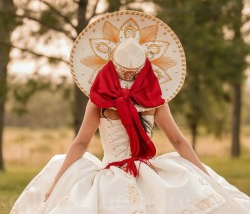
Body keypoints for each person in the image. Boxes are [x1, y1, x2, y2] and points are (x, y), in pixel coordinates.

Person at [10, 11, 250, 214]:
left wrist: (57, 183)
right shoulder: (152, 100)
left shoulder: (100, 101)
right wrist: (203, 175)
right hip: (138, 171)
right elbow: (178, 141)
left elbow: (80, 144)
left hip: (117, 171)